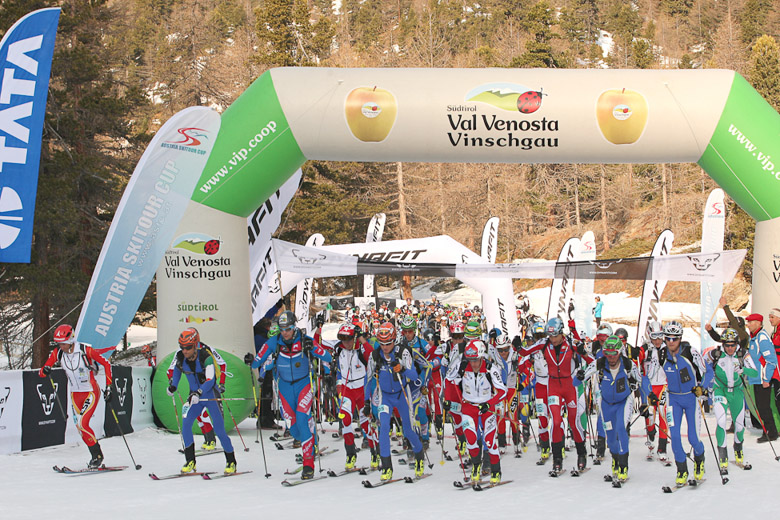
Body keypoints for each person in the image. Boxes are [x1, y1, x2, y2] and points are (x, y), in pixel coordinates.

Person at [246, 310, 332, 479]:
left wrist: (313, 349)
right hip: (285, 388)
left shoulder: (305, 340)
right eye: (282, 329)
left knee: (302, 419)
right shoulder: (274, 342)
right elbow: (257, 362)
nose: (285, 333)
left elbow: (327, 356)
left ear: (294, 327)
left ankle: (308, 465)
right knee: (294, 430)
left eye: (288, 329)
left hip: (303, 385)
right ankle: (311, 437)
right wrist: (250, 360)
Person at [518, 317, 592, 474]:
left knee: (573, 422)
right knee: (556, 422)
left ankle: (581, 453)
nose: (553, 339)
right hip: (553, 386)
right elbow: (524, 352)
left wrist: (583, 372)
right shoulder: (544, 343)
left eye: (555, 336)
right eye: (550, 336)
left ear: (561, 333)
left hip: (569, 385)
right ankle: (557, 459)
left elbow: (592, 361)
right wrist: (517, 345)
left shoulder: (571, 343)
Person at [578, 335, 652, 483]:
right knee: (611, 438)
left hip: (624, 402)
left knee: (621, 429)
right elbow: (579, 380)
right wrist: (579, 376)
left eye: (614, 354)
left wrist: (647, 399)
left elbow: (641, 381)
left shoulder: (628, 364)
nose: (611, 357)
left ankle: (623, 467)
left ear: (620, 352)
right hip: (606, 404)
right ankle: (616, 460)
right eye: (608, 353)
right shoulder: (599, 363)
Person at [39, 324, 113, 469]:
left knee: (82, 424)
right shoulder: (58, 353)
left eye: (63, 343)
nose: (61, 346)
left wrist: (109, 387)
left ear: (71, 340)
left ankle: (97, 455)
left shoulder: (85, 350)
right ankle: (95, 456)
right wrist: (45, 370)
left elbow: (106, 364)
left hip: (91, 391)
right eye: (59, 343)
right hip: (75, 394)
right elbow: (42, 372)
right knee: (80, 428)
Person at [168, 328, 237, 474]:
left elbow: (210, 380)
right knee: (186, 424)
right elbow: (177, 372)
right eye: (182, 347)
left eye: (188, 347)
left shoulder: (205, 357)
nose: (184, 351)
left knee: (219, 430)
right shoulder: (180, 357)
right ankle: (190, 461)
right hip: (195, 397)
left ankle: (231, 461)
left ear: (195, 345)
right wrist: (173, 386)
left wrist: (199, 392)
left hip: (210, 395)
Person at [364, 322, 426, 481]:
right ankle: (386, 467)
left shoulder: (403, 352)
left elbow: (414, 376)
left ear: (394, 340)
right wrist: (366, 402)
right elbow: (368, 379)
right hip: (385, 396)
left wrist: (402, 369)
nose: (385, 347)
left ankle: (419, 457)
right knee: (384, 428)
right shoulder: (375, 355)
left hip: (402, 394)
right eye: (382, 343)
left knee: (408, 431)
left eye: (388, 343)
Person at [658, 321, 713, 486]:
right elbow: (647, 376)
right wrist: (651, 394)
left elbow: (708, 371)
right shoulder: (661, 355)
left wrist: (702, 387)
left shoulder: (691, 352)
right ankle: (681, 469)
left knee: (693, 438)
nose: (671, 342)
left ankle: (699, 459)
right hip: (673, 399)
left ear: (680, 338)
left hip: (690, 398)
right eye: (668, 338)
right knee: (675, 438)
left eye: (674, 338)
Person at [447, 339, 507, 484]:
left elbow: (503, 391)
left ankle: (496, 471)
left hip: (487, 409)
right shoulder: (462, 366)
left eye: (475, 360)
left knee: (490, 441)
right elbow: (449, 380)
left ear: (481, 356)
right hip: (468, 407)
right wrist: (447, 400)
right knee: (471, 440)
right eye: (470, 360)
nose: (473, 363)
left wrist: (489, 404)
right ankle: (475, 466)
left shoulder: (491, 368)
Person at [704, 328, 758, 472]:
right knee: (721, 421)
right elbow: (701, 367)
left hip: (737, 391)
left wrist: (743, 370)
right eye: (727, 345)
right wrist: (702, 385)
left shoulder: (742, 353)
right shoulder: (715, 354)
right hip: (720, 390)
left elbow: (754, 372)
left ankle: (738, 449)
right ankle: (723, 456)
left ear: (737, 343)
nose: (730, 348)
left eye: (732, 345)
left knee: (739, 425)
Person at [331, 323, 377, 470]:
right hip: (347, 389)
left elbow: (372, 356)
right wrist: (338, 385)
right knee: (345, 420)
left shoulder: (360, 348)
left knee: (365, 424)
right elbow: (338, 369)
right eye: (343, 339)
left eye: (349, 339)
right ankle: (350, 454)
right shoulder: (339, 349)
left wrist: (362, 338)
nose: (346, 343)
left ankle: (375, 453)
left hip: (362, 389)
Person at [744, 313, 779, 442]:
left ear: (758, 323)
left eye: (750, 322)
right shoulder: (753, 337)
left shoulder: (762, 338)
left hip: (762, 379)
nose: (748, 325)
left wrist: (766, 379)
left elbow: (771, 360)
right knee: (760, 407)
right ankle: (769, 431)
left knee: (764, 407)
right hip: (755, 378)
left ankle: (771, 433)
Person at [642, 321, 669, 460]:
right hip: (650, 387)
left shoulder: (668, 348)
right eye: (654, 337)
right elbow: (640, 370)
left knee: (664, 415)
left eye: (660, 336)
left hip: (664, 386)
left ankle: (662, 447)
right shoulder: (646, 350)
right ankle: (651, 433)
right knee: (650, 416)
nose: (657, 340)